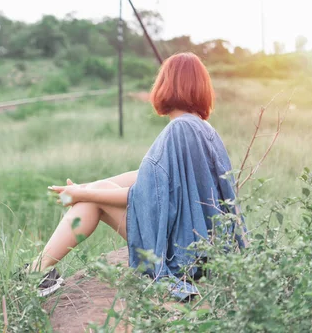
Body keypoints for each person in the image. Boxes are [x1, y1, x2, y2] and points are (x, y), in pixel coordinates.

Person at [26, 52, 246, 299]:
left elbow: (145, 195)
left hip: (181, 251)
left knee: (91, 201)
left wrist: (84, 193)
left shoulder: (180, 129)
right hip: (203, 250)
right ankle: (36, 271)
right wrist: (86, 186)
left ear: (166, 85)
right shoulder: (202, 128)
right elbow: (148, 176)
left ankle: (34, 274)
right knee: (94, 192)